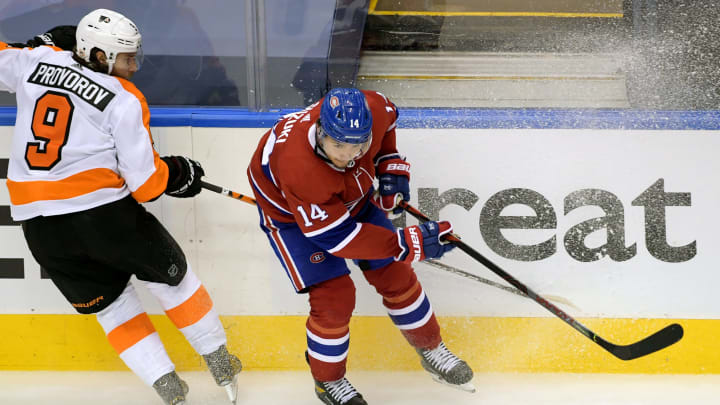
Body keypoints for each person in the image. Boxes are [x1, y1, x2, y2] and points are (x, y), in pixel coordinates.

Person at [0, 9, 241, 405]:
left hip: (40, 228)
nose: (134, 65)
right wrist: (178, 173)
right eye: (126, 57)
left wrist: (36, 44)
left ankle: (167, 387)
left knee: (111, 308)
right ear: (98, 55)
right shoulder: (124, 98)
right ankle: (220, 362)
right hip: (103, 216)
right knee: (172, 279)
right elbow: (146, 186)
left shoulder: (33, 62)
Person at [247, 87, 474, 405]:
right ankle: (329, 380)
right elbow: (337, 239)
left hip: (351, 200)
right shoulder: (299, 168)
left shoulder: (373, 109)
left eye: (359, 145)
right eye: (337, 144)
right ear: (321, 131)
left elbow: (389, 122)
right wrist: (402, 242)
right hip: (292, 220)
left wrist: (388, 163)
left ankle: (431, 347)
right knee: (335, 296)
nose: (347, 155)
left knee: (395, 274)